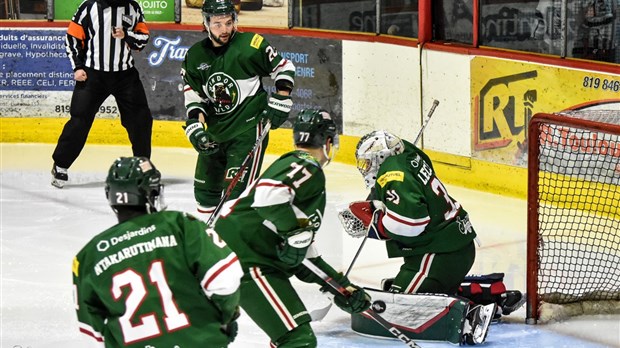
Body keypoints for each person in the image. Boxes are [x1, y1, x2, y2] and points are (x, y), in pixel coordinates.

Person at [340, 130, 525, 344]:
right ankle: (491, 295)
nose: (366, 168)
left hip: (438, 255)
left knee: (394, 310)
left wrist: (374, 224)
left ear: (381, 158)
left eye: (368, 162)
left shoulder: (393, 174)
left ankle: (470, 316)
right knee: (396, 290)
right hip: (455, 246)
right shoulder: (408, 153)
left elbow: (411, 224)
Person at [215, 109, 371, 347]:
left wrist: (338, 286)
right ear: (328, 141)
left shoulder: (300, 174)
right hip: (246, 259)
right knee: (296, 340)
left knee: (294, 339)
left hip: (246, 256)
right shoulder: (306, 164)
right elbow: (268, 195)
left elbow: (302, 255)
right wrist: (295, 233)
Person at [72, 157, 243, 347]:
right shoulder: (180, 225)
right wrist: (226, 317)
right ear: (152, 192)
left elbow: (92, 332)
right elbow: (225, 279)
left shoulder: (88, 256)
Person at [181, 0, 296, 219]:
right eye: (217, 24)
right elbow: (195, 99)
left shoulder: (250, 44)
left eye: (228, 22)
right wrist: (196, 128)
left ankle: (234, 247)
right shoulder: (195, 56)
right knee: (205, 194)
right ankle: (209, 246)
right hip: (215, 133)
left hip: (248, 130)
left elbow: (284, 67)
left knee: (236, 197)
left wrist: (282, 97)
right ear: (205, 24)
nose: (224, 29)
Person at [51, 0, 153, 189]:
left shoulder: (133, 7)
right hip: (93, 75)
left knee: (141, 119)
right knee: (79, 121)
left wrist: (126, 35)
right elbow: (72, 38)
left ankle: (143, 165)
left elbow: (142, 39)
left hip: (125, 75)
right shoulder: (88, 7)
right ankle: (61, 164)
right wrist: (78, 66)